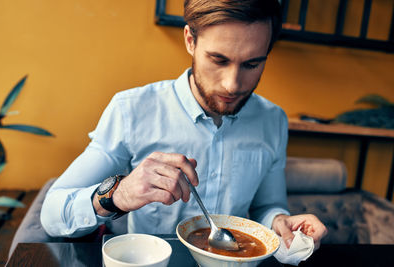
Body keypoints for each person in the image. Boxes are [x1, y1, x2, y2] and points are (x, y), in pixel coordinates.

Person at [41, 0, 327, 250]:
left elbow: (266, 206)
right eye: (218, 60)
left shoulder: (272, 119)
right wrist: (120, 194)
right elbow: (53, 214)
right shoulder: (131, 110)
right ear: (190, 40)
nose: (232, 84)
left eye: (251, 65)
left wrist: (280, 221)